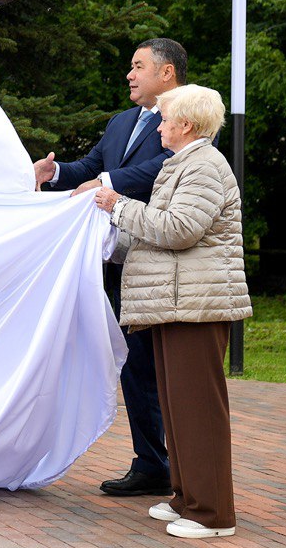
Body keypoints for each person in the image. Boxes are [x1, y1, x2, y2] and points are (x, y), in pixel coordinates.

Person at [94, 84, 251, 539]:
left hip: (195, 307)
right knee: (179, 408)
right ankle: (186, 496)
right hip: (175, 303)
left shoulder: (203, 165)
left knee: (198, 409)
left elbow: (180, 229)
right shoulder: (182, 165)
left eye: (164, 120)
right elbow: (157, 230)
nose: (158, 126)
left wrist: (118, 206)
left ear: (185, 125)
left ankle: (212, 514)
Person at [34, 38, 186, 497]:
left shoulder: (189, 116)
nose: (129, 75)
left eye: (138, 67)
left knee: (167, 369)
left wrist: (105, 184)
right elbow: (91, 166)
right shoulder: (121, 122)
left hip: (165, 262)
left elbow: (164, 167)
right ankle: (152, 465)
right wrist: (54, 174)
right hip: (122, 261)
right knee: (135, 367)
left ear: (167, 73)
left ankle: (183, 466)